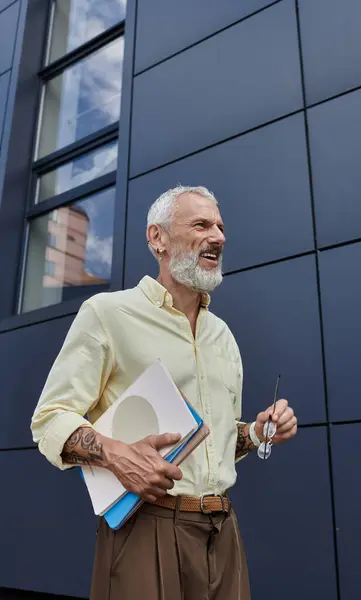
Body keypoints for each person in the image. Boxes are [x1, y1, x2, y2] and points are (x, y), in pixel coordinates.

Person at [31, 185, 298, 600]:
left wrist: (258, 432)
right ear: (157, 239)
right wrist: (118, 456)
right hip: (145, 528)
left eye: (221, 227)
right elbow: (50, 418)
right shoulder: (106, 314)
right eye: (201, 224)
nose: (219, 236)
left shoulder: (223, 337)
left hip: (223, 532)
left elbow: (218, 440)